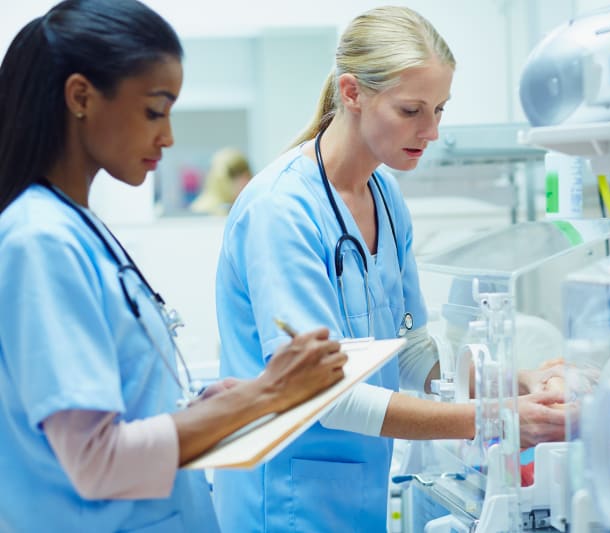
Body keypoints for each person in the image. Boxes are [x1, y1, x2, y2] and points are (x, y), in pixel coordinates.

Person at [213, 6, 571, 532]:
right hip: (283, 497)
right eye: (411, 110)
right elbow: (324, 397)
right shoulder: (280, 210)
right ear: (353, 92)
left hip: (356, 490)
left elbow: (410, 352)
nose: (430, 131)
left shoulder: (384, 195)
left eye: (440, 110)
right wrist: (495, 418)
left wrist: (508, 384)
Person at [0, 1, 347, 532]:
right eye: (154, 111)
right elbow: (98, 463)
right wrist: (267, 394)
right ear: (80, 97)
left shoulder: (78, 228)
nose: (168, 137)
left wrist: (205, 406)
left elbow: (120, 411)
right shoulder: (39, 240)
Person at [189, 147, 253, 216]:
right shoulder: (204, 210)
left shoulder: (245, 208)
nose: (245, 182)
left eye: (248, 176)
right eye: (234, 175)